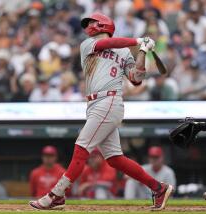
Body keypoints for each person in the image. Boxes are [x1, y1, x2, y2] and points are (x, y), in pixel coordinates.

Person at [29, 12, 173, 211]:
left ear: (103, 24)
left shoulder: (124, 52)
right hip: (95, 104)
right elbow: (106, 45)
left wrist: (142, 50)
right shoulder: (87, 45)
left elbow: (136, 77)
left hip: (110, 100)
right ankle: (158, 188)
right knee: (115, 159)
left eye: (91, 22)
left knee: (81, 148)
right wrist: (138, 40)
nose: (88, 26)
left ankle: (56, 195)